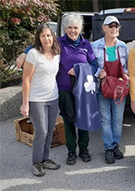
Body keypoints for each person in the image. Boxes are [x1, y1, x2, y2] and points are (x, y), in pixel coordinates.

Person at [17, 13, 100, 166]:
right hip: (64, 89)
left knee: (83, 118)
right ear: (64, 29)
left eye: (76, 27)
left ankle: (84, 148)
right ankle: (71, 151)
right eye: (69, 27)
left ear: (81, 28)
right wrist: (25, 52)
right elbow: (41, 43)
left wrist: (80, 68)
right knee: (68, 120)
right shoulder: (59, 43)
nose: (72, 31)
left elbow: (94, 65)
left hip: (82, 90)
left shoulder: (86, 45)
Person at [20, 23, 61, 177]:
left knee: (50, 130)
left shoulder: (57, 52)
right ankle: (36, 163)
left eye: (49, 35)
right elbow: (26, 80)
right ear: (38, 38)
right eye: (42, 36)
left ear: (53, 37)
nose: (46, 38)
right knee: (41, 131)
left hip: (53, 97)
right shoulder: (33, 54)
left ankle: (45, 159)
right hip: (36, 99)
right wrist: (25, 104)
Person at [91, 16, 130, 164]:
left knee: (118, 119)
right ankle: (108, 147)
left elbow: (125, 68)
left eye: (116, 26)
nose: (114, 28)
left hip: (119, 89)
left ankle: (115, 146)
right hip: (103, 88)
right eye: (110, 25)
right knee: (105, 119)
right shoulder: (94, 46)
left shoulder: (123, 46)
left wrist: (126, 76)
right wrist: (98, 73)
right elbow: (91, 65)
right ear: (104, 28)